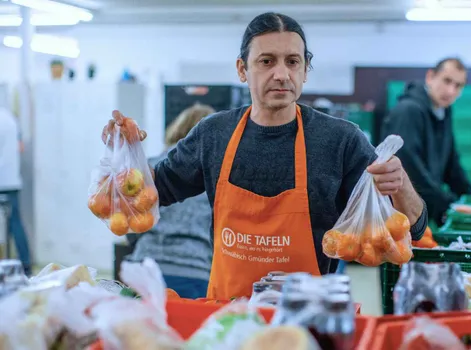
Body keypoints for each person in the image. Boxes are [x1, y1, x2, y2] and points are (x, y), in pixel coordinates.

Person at [102, 12, 428, 300]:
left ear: (305, 70)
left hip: (305, 320)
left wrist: (400, 186)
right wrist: (126, 154)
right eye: (267, 61)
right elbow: (153, 194)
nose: (282, 74)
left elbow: (411, 230)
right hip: (227, 318)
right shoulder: (213, 134)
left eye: (293, 61)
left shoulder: (341, 140)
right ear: (242, 69)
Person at [125, 103, 215, 299]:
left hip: (144, 268)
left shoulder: (151, 167)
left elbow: (130, 223)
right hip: (195, 271)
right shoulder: (216, 175)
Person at [381, 58, 471, 226]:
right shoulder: (408, 111)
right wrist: (449, 202)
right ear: (430, 77)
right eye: (447, 81)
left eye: (458, 85)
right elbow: (409, 168)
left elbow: (451, 166)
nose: (451, 90)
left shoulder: (443, 112)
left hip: (422, 213)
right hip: (400, 215)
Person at [0, 106, 32, 275]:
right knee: (15, 223)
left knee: (11, 224)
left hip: (2, 180)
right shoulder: (9, 118)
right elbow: (20, 147)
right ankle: (26, 264)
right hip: (12, 179)